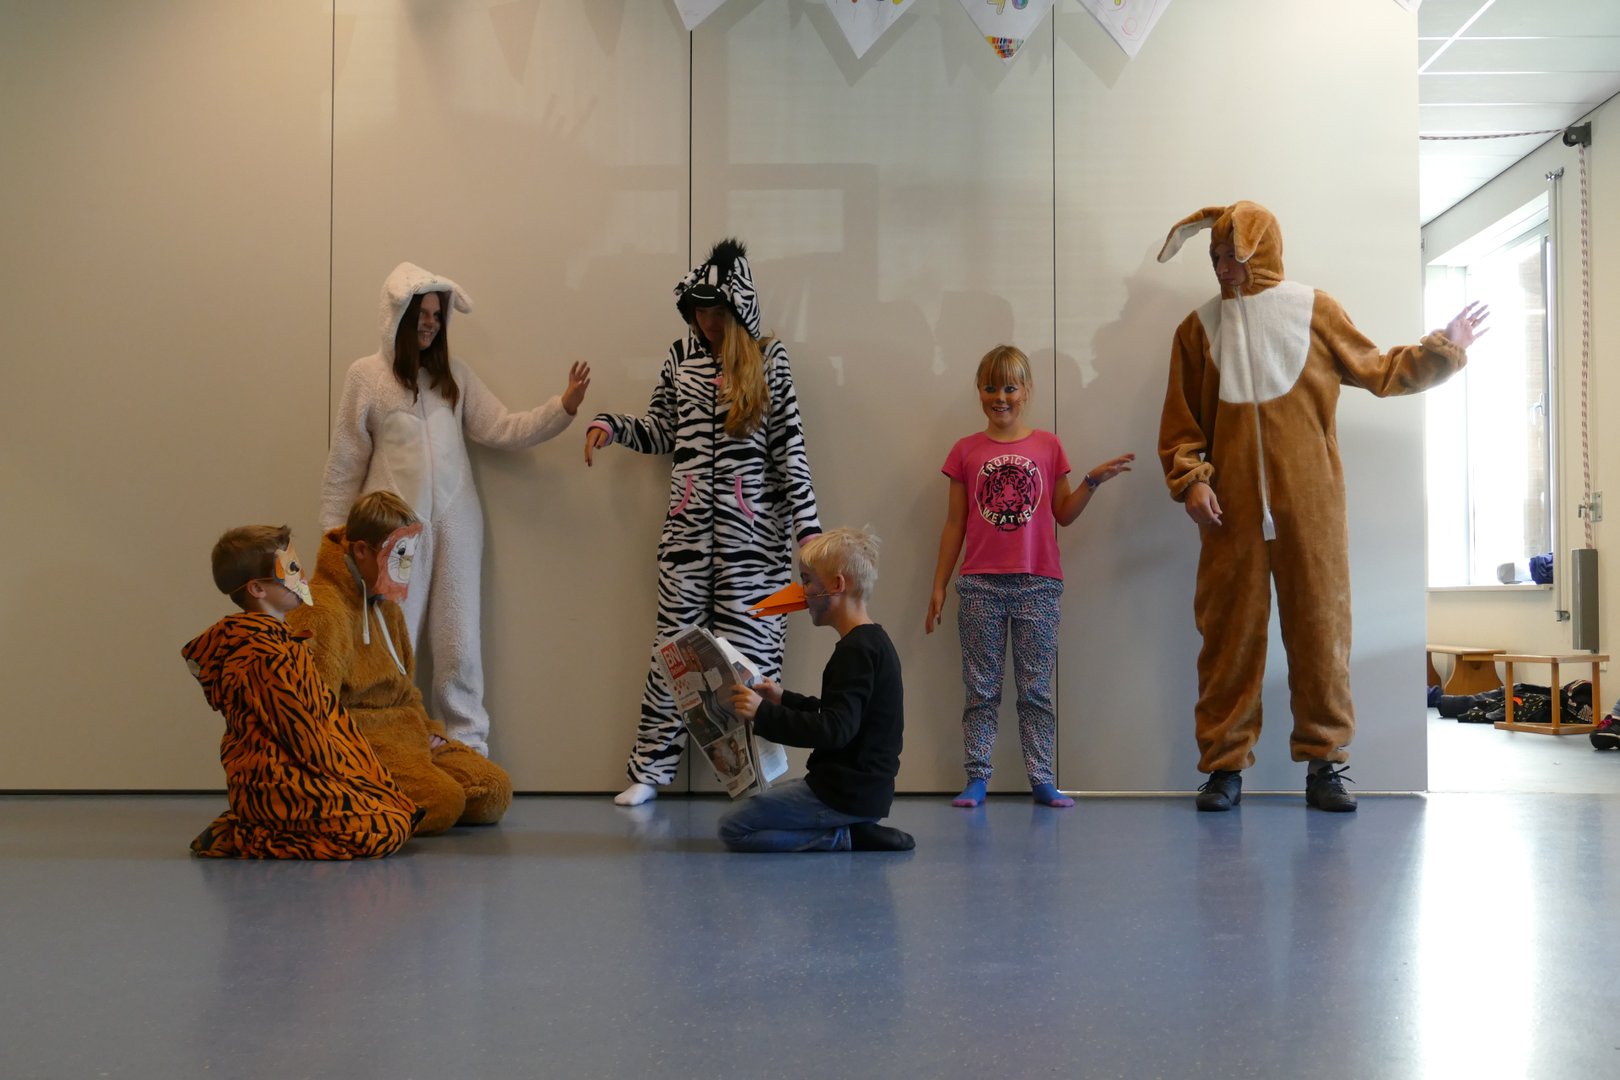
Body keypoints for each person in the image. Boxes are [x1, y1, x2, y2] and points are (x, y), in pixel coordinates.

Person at [1156, 200, 1489, 812]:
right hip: (1229, 515)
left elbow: (1380, 371)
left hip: (1312, 509)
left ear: (1260, 251)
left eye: (1231, 255)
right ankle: (1225, 767)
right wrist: (1191, 481)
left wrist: (1445, 347)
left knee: (1321, 634)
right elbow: (1182, 426)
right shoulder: (1198, 329)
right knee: (1227, 639)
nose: (1222, 267)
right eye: (1215, 256)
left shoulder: (1315, 310)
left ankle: (1325, 764)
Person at [585, 240, 821, 806]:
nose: (708, 321)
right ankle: (650, 769)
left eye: (717, 310)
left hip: (753, 544)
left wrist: (809, 533)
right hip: (686, 535)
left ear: (739, 308)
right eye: (699, 309)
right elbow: (663, 430)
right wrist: (613, 426)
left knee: (751, 658)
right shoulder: (680, 357)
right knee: (675, 654)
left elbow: (790, 448)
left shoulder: (769, 359)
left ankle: (757, 777)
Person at [321, 262, 590, 757]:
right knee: (390, 639)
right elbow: (344, 462)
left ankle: (467, 747)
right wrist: (334, 537)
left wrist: (563, 407)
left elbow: (502, 427)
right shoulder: (366, 377)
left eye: (436, 314)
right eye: (421, 313)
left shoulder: (454, 378)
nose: (430, 323)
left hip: (458, 527)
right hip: (392, 535)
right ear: (397, 315)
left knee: (460, 643)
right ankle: (387, 746)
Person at [926, 345, 1134, 809]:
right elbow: (955, 524)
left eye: (1010, 387)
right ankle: (977, 778)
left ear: (1026, 391)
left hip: (1038, 584)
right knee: (981, 689)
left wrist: (1091, 482)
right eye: (991, 387)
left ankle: (1042, 779)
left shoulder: (1048, 446)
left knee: (1036, 690)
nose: (1000, 397)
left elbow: (1064, 514)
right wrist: (939, 584)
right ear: (979, 391)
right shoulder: (964, 451)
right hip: (980, 585)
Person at [183, 524, 418, 859]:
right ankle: (249, 834)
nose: (302, 578)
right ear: (257, 588)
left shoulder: (281, 642)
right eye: (291, 569)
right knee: (385, 829)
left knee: (398, 809)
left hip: (303, 768)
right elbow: (304, 736)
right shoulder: (264, 655)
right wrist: (352, 777)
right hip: (278, 781)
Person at [287, 491, 512, 834]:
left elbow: (405, 689)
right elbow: (312, 710)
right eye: (398, 556)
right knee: (442, 801)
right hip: (360, 743)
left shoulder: (386, 606)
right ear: (361, 551)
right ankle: (354, 800)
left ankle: (401, 790)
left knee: (493, 789)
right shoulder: (321, 609)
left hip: (408, 734)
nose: (406, 569)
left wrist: (429, 731)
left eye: (410, 556)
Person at [720, 528, 911, 852]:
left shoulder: (855, 651)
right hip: (861, 791)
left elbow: (833, 729)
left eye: (807, 580)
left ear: (836, 585)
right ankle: (851, 827)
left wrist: (763, 713)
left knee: (733, 828)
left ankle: (843, 836)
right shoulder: (872, 642)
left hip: (844, 794)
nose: (802, 592)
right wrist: (783, 698)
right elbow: (840, 712)